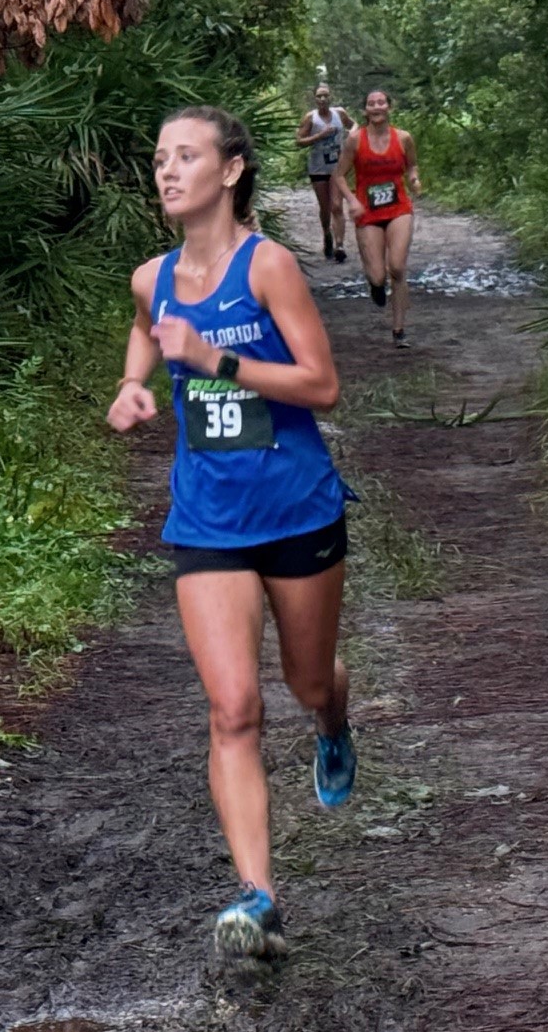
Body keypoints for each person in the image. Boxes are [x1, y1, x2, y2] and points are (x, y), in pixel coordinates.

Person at [106, 105, 357, 961]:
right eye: (160, 158)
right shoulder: (153, 276)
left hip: (296, 509)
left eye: (187, 156)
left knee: (307, 680)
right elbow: (148, 330)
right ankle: (258, 897)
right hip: (208, 518)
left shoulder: (270, 268)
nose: (169, 170)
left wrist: (215, 361)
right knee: (233, 707)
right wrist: (135, 386)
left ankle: (333, 722)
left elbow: (322, 385)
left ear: (233, 170)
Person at [336, 89, 423, 349]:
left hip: (399, 208)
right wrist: (352, 201)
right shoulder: (355, 140)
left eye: (381, 102)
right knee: (377, 275)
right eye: (371, 104)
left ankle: (399, 330)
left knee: (397, 267)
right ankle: (375, 284)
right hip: (368, 212)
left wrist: (414, 179)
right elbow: (339, 175)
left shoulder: (404, 138)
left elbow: (412, 165)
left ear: (389, 107)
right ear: (365, 110)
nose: (376, 107)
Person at [295, 84, 353, 263]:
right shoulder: (310, 118)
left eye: (325, 96)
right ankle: (327, 233)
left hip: (337, 166)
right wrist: (319, 136)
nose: (322, 99)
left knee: (337, 205)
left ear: (330, 97)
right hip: (318, 167)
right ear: (314, 98)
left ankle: (340, 245)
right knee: (326, 207)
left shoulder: (340, 114)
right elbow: (299, 141)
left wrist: (353, 140)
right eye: (319, 96)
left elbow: (354, 126)